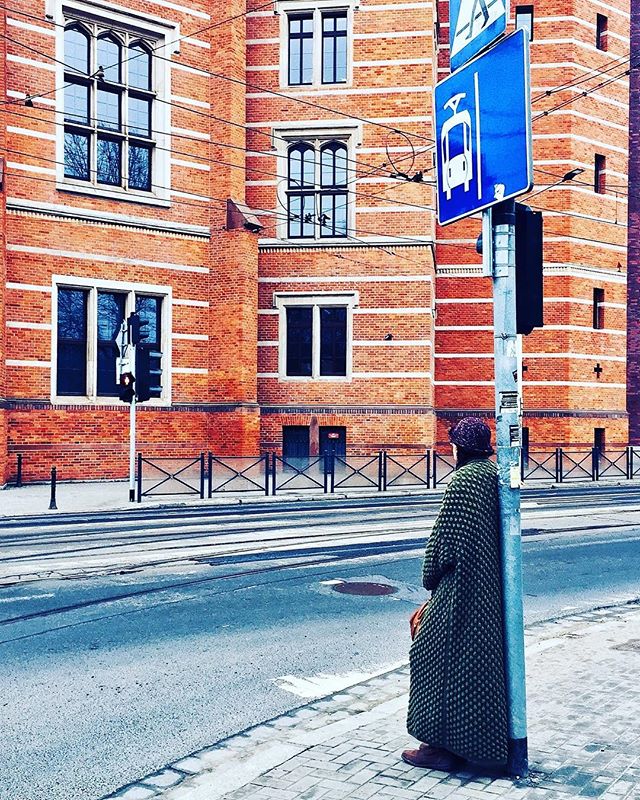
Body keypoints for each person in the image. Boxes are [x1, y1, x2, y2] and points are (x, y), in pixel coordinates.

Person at [402, 417, 508, 771]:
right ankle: (468, 743)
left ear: (457, 448)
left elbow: (444, 544)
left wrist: (429, 577)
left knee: (431, 656)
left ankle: (436, 747)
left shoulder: (463, 481)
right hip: (490, 593)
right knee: (473, 666)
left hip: (461, 590)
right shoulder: (494, 476)